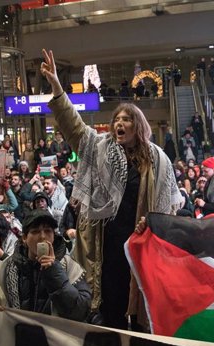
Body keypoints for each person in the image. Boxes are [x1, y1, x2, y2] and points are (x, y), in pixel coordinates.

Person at [41, 48, 181, 328]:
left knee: (143, 306)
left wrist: (152, 222)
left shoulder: (158, 160)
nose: (119, 123)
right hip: (106, 244)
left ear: (138, 126)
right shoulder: (98, 148)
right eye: (117, 119)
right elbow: (74, 126)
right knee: (111, 305)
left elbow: (170, 205)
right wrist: (57, 88)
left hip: (141, 244)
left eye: (126, 119)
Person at [0, 210, 91, 321]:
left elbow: (81, 311)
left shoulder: (70, 266)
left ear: (54, 236)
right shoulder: (6, 268)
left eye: (48, 231)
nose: (43, 236)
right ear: (24, 238)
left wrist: (54, 272)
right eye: (35, 231)